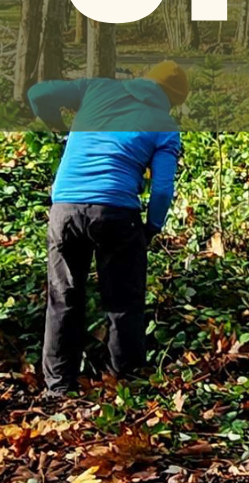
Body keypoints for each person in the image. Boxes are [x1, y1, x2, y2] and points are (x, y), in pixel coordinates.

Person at [27, 60, 188, 395]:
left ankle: (58, 388)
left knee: (63, 297)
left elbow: (39, 93)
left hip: (65, 208)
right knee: (123, 302)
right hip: (116, 213)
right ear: (172, 99)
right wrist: (151, 228)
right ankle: (126, 385)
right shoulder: (164, 124)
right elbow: (161, 189)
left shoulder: (97, 88)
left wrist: (58, 127)